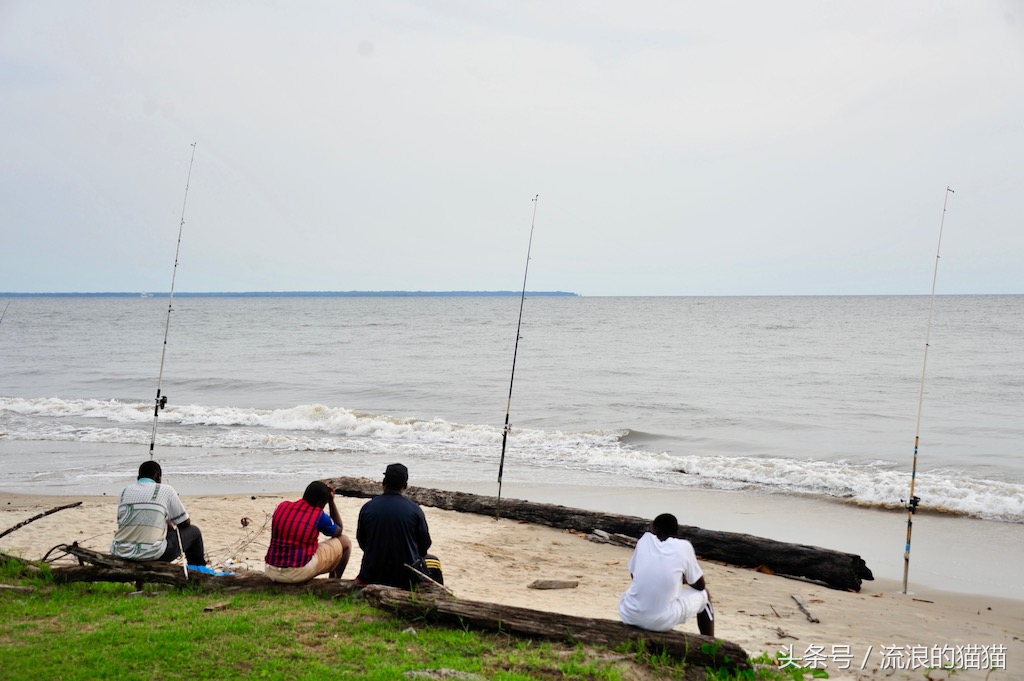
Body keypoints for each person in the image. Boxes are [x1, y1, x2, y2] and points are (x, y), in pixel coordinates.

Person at [618, 513, 714, 636]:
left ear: (655, 529)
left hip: (630, 614)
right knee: (705, 595)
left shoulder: (644, 540)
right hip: (661, 621)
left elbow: (634, 575)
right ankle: (710, 642)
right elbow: (700, 585)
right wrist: (681, 579)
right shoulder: (684, 546)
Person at [355, 463, 443, 589]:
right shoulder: (415, 509)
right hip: (406, 579)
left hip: (372, 574)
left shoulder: (368, 507)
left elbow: (362, 542)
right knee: (434, 562)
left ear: (383, 483)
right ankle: (438, 601)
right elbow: (424, 546)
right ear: (405, 486)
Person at [111, 460, 207, 566]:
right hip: (152, 554)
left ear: (138, 478)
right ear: (158, 478)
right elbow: (184, 523)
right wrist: (167, 519)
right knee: (194, 531)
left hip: (121, 552)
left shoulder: (124, 492)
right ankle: (198, 570)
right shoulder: (166, 490)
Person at [264, 480, 352, 583]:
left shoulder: (282, 506)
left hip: (271, 569)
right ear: (320, 503)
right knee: (345, 542)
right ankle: (334, 582)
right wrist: (331, 502)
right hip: (297, 571)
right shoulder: (317, 514)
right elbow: (339, 530)